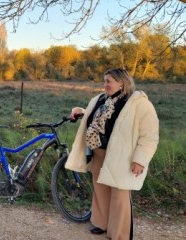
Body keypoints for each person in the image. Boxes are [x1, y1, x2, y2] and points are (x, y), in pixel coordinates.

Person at [65, 68, 159, 240]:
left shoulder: (138, 102)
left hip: (122, 155)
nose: (105, 85)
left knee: (119, 193)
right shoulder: (101, 99)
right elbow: (99, 119)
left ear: (121, 82)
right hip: (98, 151)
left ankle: (119, 234)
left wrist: (140, 160)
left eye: (108, 81)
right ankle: (102, 224)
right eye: (104, 81)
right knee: (100, 188)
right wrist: (81, 112)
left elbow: (150, 135)